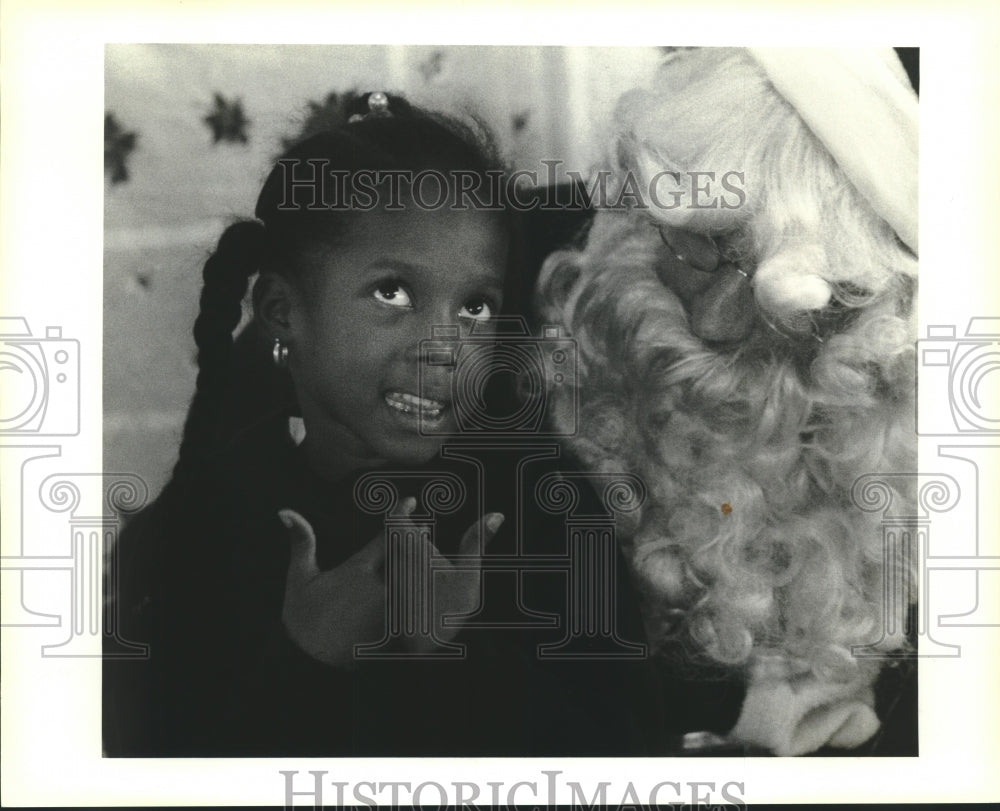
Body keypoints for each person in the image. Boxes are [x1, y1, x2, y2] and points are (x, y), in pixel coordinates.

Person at [103, 91, 660, 757]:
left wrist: (449, 649)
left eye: (476, 306)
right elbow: (149, 764)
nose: (446, 347)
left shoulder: (546, 508)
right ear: (283, 312)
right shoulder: (205, 522)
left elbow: (617, 751)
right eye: (393, 292)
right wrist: (305, 653)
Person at [537, 47, 919, 756]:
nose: (711, 322)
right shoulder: (541, 435)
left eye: (767, 290)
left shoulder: (926, 454)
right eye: (703, 251)